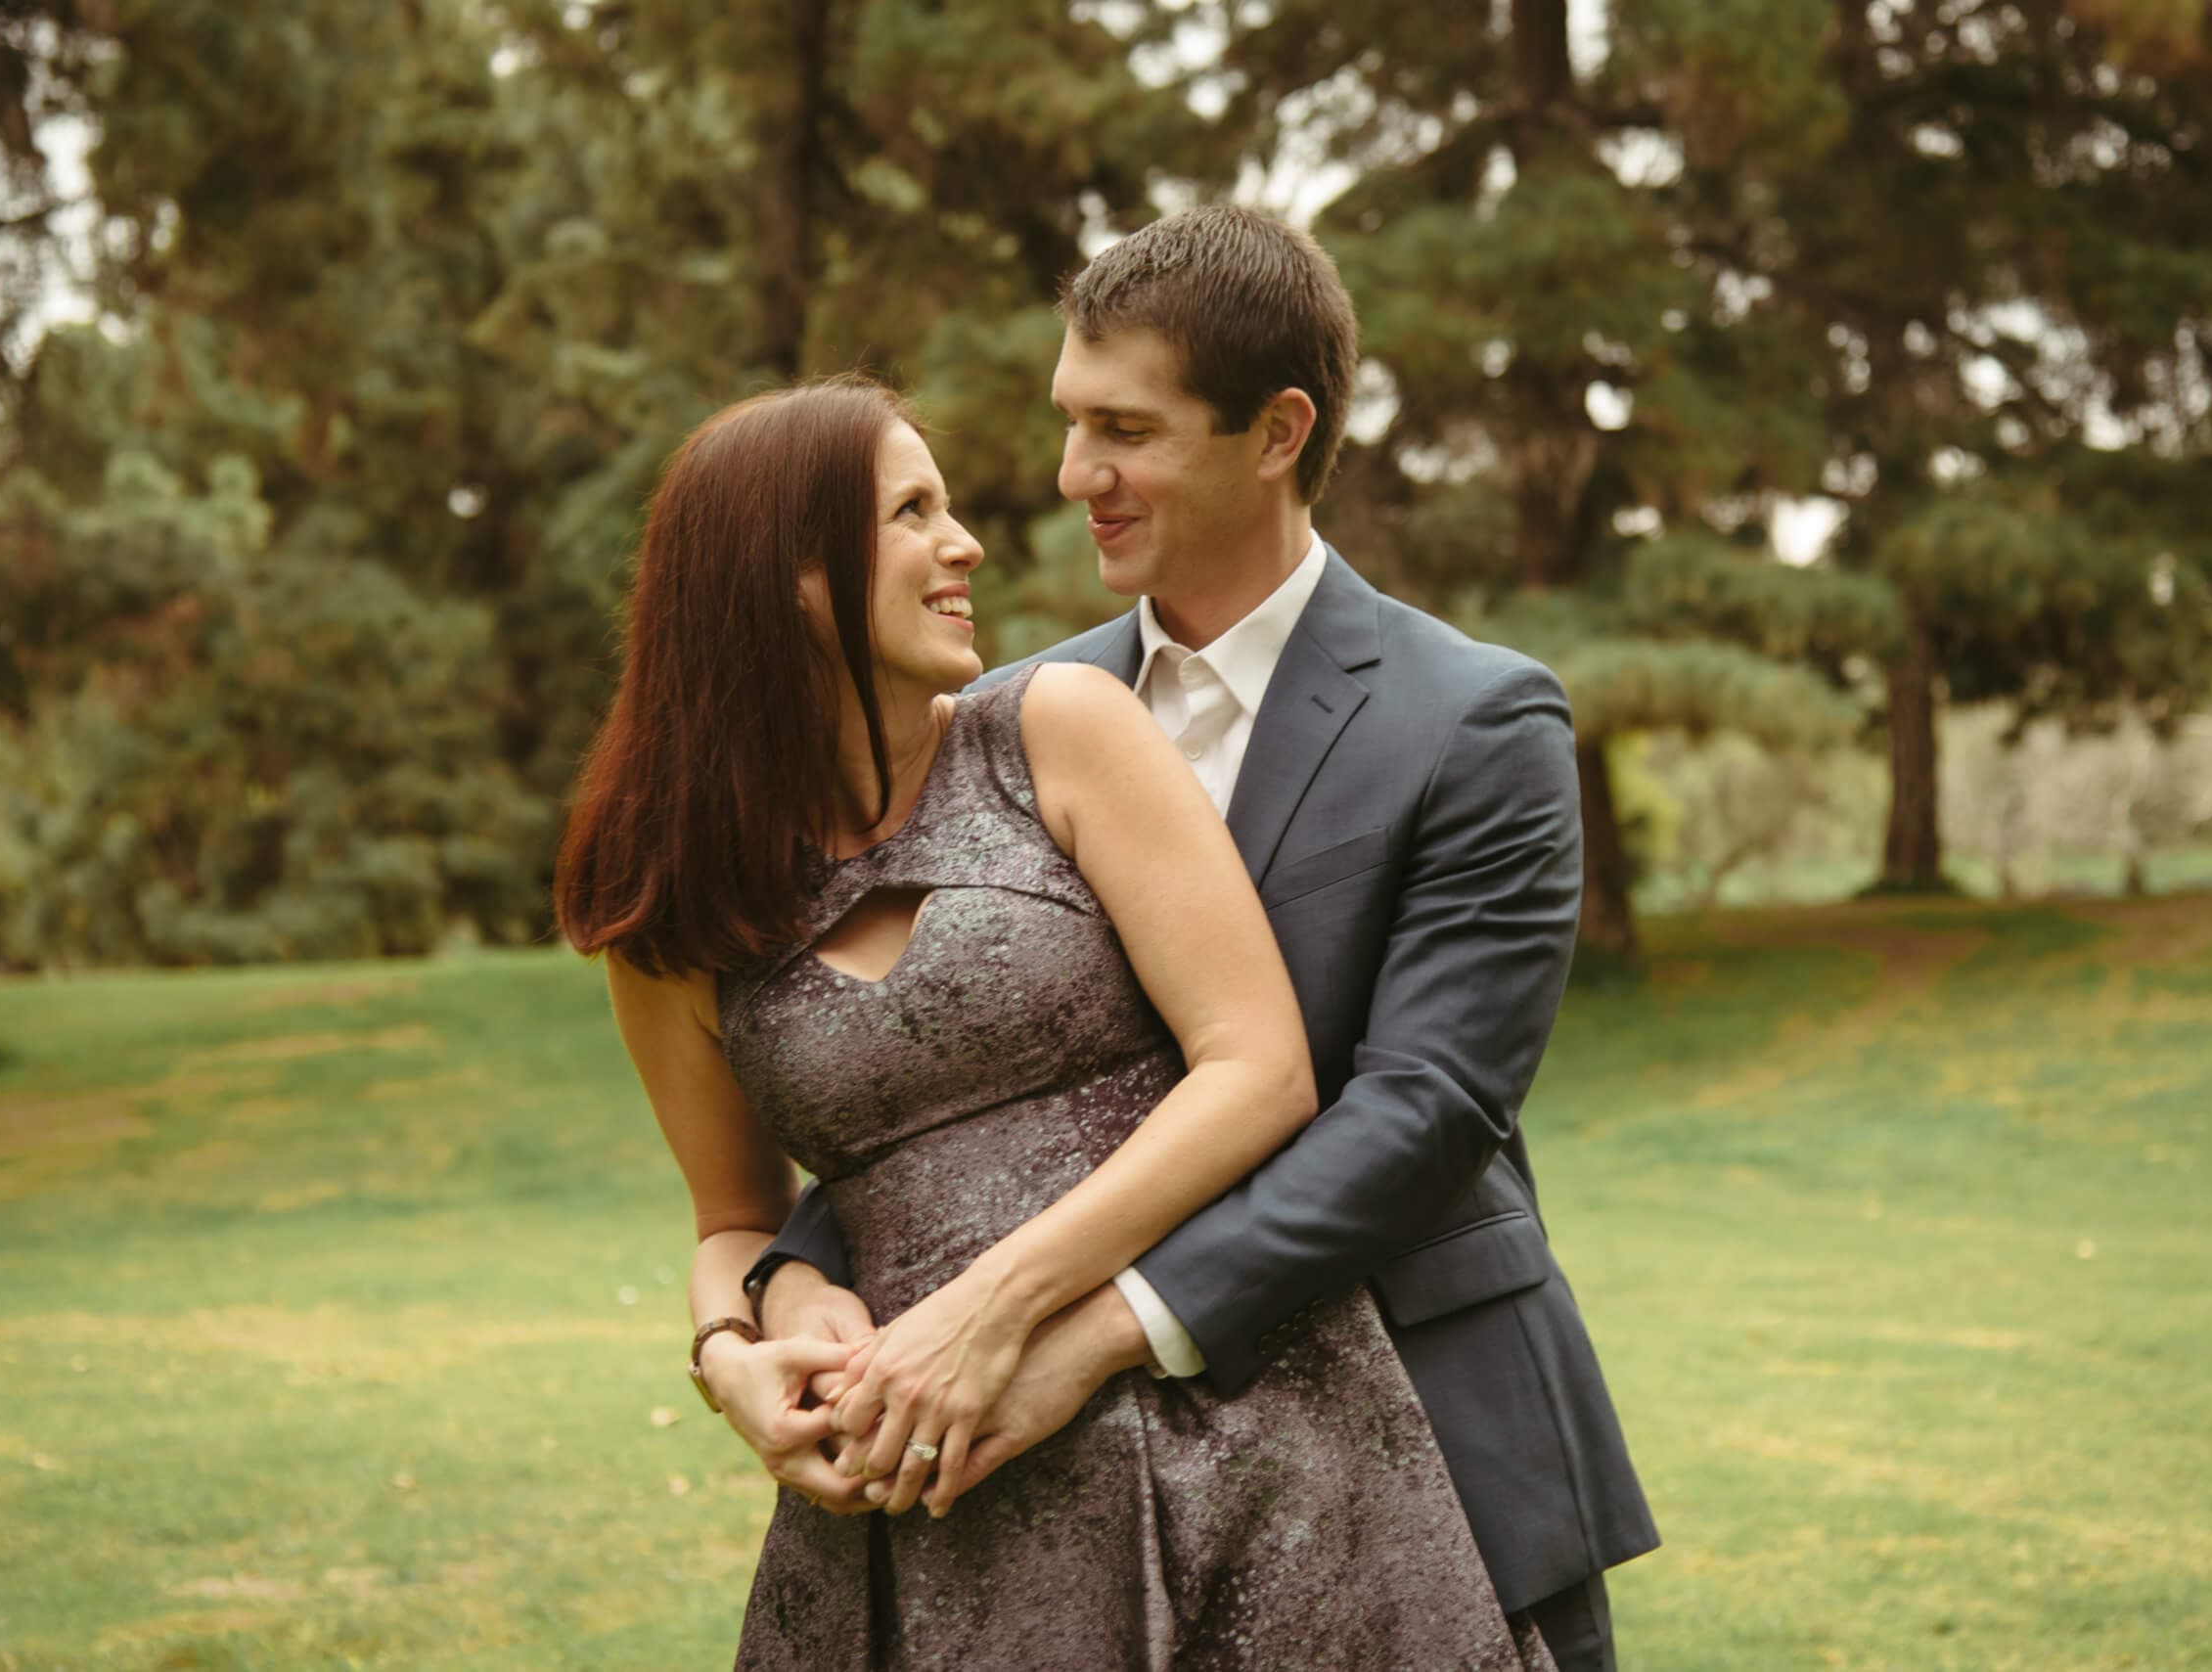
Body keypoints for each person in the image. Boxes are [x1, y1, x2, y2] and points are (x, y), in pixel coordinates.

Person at [749, 205, 1660, 1669]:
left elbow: (1424, 1109)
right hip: (1105, 1511)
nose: (1073, 476)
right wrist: (777, 1284)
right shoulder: (1012, 721)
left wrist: (1094, 1327)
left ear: (1278, 429)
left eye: (1127, 429)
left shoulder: (1477, 720)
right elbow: (941, 1072)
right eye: (1068, 422)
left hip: (1438, 1430)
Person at [556, 375, 1548, 1669]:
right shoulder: (669, 913)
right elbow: (736, 1221)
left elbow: (1257, 1068)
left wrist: (993, 1316)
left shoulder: (1058, 733)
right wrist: (734, 1351)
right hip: (941, 1491)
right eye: (914, 512)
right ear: (789, 578)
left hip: (1248, 1433)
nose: (964, 542)